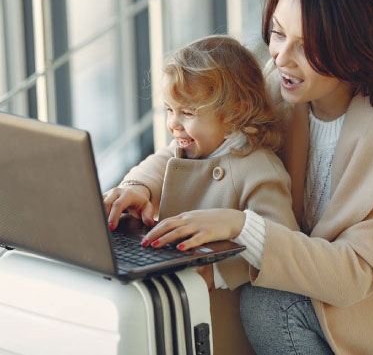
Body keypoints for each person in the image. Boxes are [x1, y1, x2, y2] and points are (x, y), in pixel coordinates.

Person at [107, 0, 373, 354]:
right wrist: (139, 185)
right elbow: (202, 141)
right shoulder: (281, 88)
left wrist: (241, 227)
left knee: (267, 302)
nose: (280, 57)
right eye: (277, 33)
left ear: (353, 50)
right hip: (315, 283)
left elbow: (353, 273)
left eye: (306, 46)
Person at [103, 35, 298, 355]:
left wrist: (218, 271)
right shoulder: (191, 145)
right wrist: (137, 187)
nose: (173, 125)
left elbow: (281, 244)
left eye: (188, 113)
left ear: (235, 113)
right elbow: (161, 161)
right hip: (180, 300)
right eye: (169, 110)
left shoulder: (258, 168)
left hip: (221, 316)